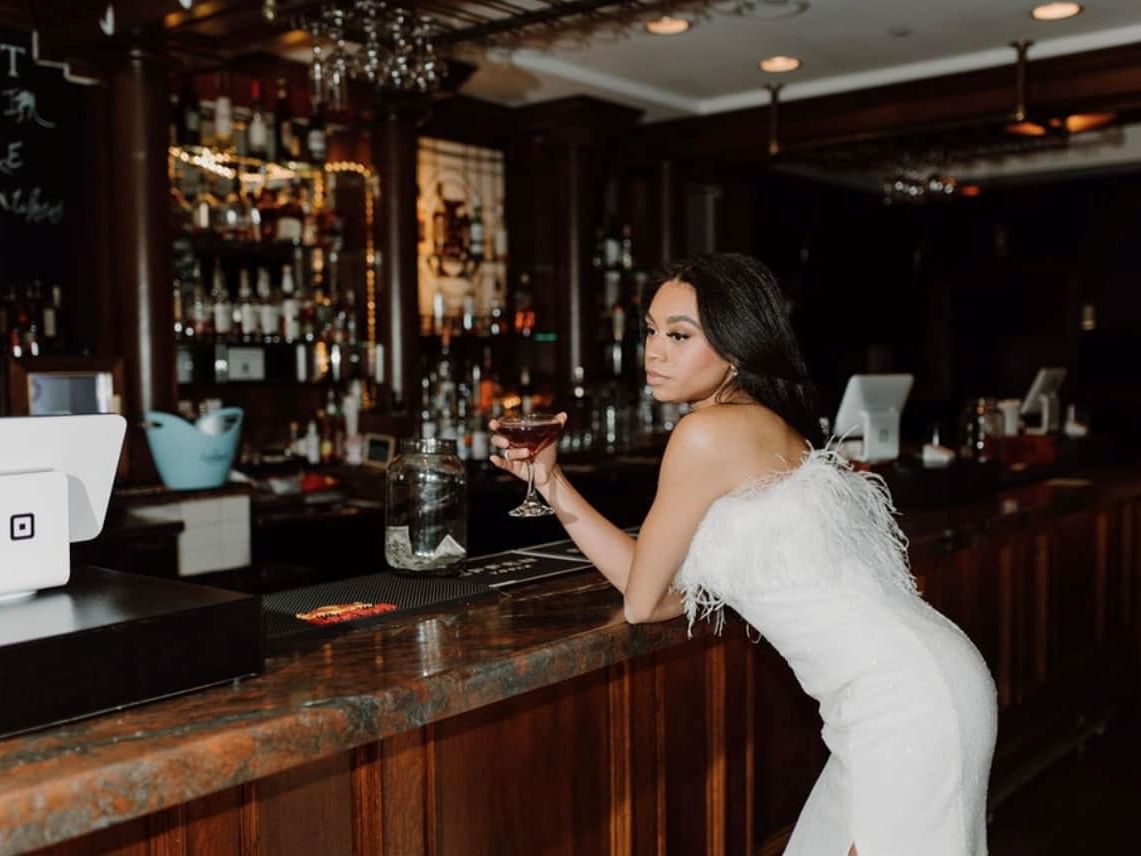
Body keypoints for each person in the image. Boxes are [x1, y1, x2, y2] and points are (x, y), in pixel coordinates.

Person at [491, 252, 998, 856]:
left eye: (680, 335)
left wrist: (555, 489)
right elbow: (661, 596)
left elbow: (640, 602)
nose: (655, 352)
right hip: (918, 687)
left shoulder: (704, 434)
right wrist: (550, 482)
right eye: (650, 331)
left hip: (900, 706)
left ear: (735, 346)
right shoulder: (760, 422)